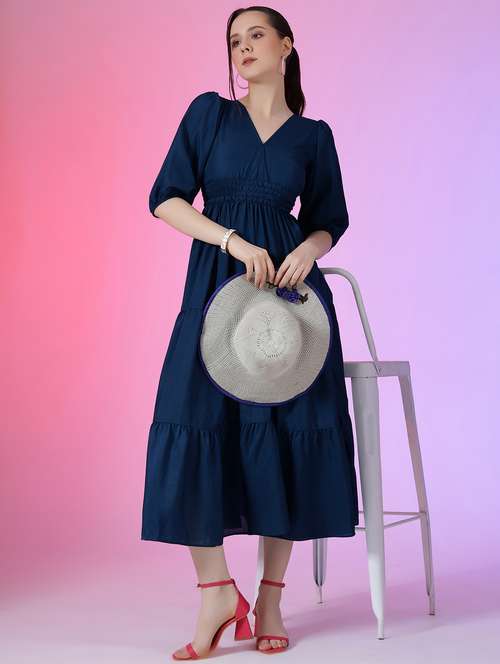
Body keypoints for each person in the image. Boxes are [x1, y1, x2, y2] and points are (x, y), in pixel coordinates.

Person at [141, 6, 359, 660]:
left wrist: (310, 250)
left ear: (287, 44)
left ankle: (269, 597)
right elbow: (166, 199)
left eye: (256, 35)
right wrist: (231, 239)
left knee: (284, 433)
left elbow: (328, 219)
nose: (243, 48)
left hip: (287, 303)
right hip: (216, 288)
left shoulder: (312, 136)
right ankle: (215, 591)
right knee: (192, 418)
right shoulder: (209, 115)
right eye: (235, 40)